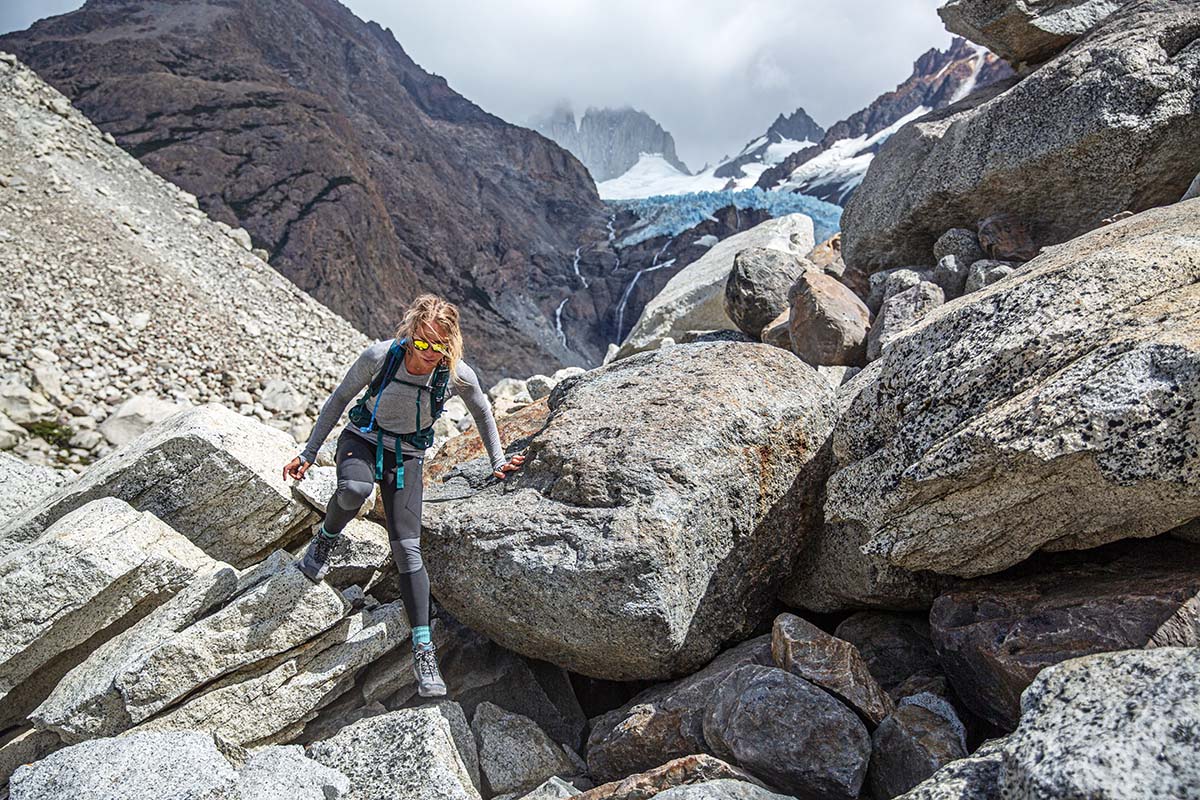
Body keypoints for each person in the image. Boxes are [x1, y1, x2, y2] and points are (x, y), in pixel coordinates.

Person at [281, 294, 525, 697]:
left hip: (407, 457)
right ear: (410, 332)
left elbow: (482, 411)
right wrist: (308, 452)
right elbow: (340, 399)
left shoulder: (455, 374)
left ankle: (422, 648)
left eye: (438, 347)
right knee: (355, 490)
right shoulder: (380, 357)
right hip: (362, 440)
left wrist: (497, 461)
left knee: (408, 551)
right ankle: (325, 540)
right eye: (422, 342)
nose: (427, 354)